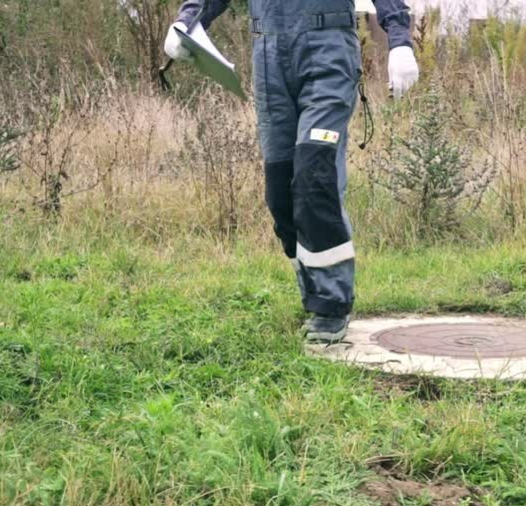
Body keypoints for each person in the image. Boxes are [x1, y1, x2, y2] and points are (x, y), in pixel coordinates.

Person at [164, 0, 419, 342]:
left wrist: (400, 40)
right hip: (268, 56)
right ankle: (314, 290)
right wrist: (188, 21)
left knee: (315, 176)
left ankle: (331, 305)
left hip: (327, 50)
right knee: (280, 194)